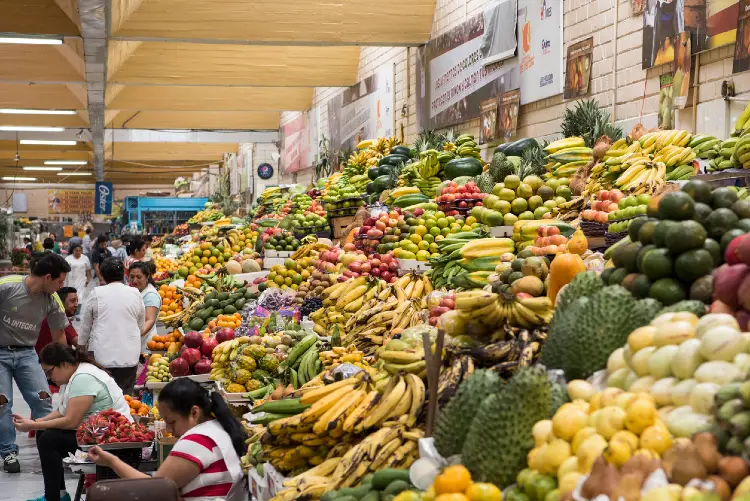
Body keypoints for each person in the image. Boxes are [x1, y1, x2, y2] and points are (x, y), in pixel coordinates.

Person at [88, 378, 247, 501]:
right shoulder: (221, 427)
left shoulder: (197, 441)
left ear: (194, 413)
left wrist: (112, 462)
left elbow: (152, 490)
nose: (169, 430)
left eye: (171, 422)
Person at [13, 343, 132, 501]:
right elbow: (61, 412)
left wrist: (33, 425)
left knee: (49, 440)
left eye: (49, 372)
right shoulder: (73, 376)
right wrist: (36, 422)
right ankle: (59, 494)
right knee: (43, 433)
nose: (49, 378)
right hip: (96, 431)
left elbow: (70, 421)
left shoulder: (83, 377)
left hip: (112, 437)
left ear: (64, 364)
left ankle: (53, 497)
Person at [0, 253, 71, 474]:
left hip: (27, 354)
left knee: (42, 400)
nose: (62, 286)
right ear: (48, 277)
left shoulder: (52, 299)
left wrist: (63, 368)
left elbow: (59, 336)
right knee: (2, 404)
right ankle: (8, 452)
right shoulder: (6, 287)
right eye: (60, 281)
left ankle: (50, 446)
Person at [79, 257, 144, 395]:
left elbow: (86, 326)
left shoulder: (96, 293)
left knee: (103, 396)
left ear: (102, 275)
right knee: (125, 398)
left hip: (102, 358)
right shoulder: (135, 293)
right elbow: (140, 324)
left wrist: (81, 346)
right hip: (129, 356)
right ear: (124, 274)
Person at [129, 262, 161, 352]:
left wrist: (133, 336)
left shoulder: (151, 296)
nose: (134, 280)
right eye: (132, 277)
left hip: (145, 343)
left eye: (139, 277)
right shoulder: (136, 290)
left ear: (147, 277)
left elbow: (150, 320)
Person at [35, 287, 79, 354]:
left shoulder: (44, 313)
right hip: (52, 361)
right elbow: (79, 344)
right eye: (72, 301)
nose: (76, 305)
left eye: (77, 301)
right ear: (60, 302)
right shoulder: (60, 319)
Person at [64, 244, 90, 320]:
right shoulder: (68, 259)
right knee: (70, 297)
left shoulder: (85, 258)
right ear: (73, 251)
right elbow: (64, 271)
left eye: (79, 250)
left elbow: (88, 270)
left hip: (82, 281)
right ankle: (70, 313)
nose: (78, 252)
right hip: (70, 281)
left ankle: (77, 313)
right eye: (76, 250)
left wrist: (88, 279)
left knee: (80, 297)